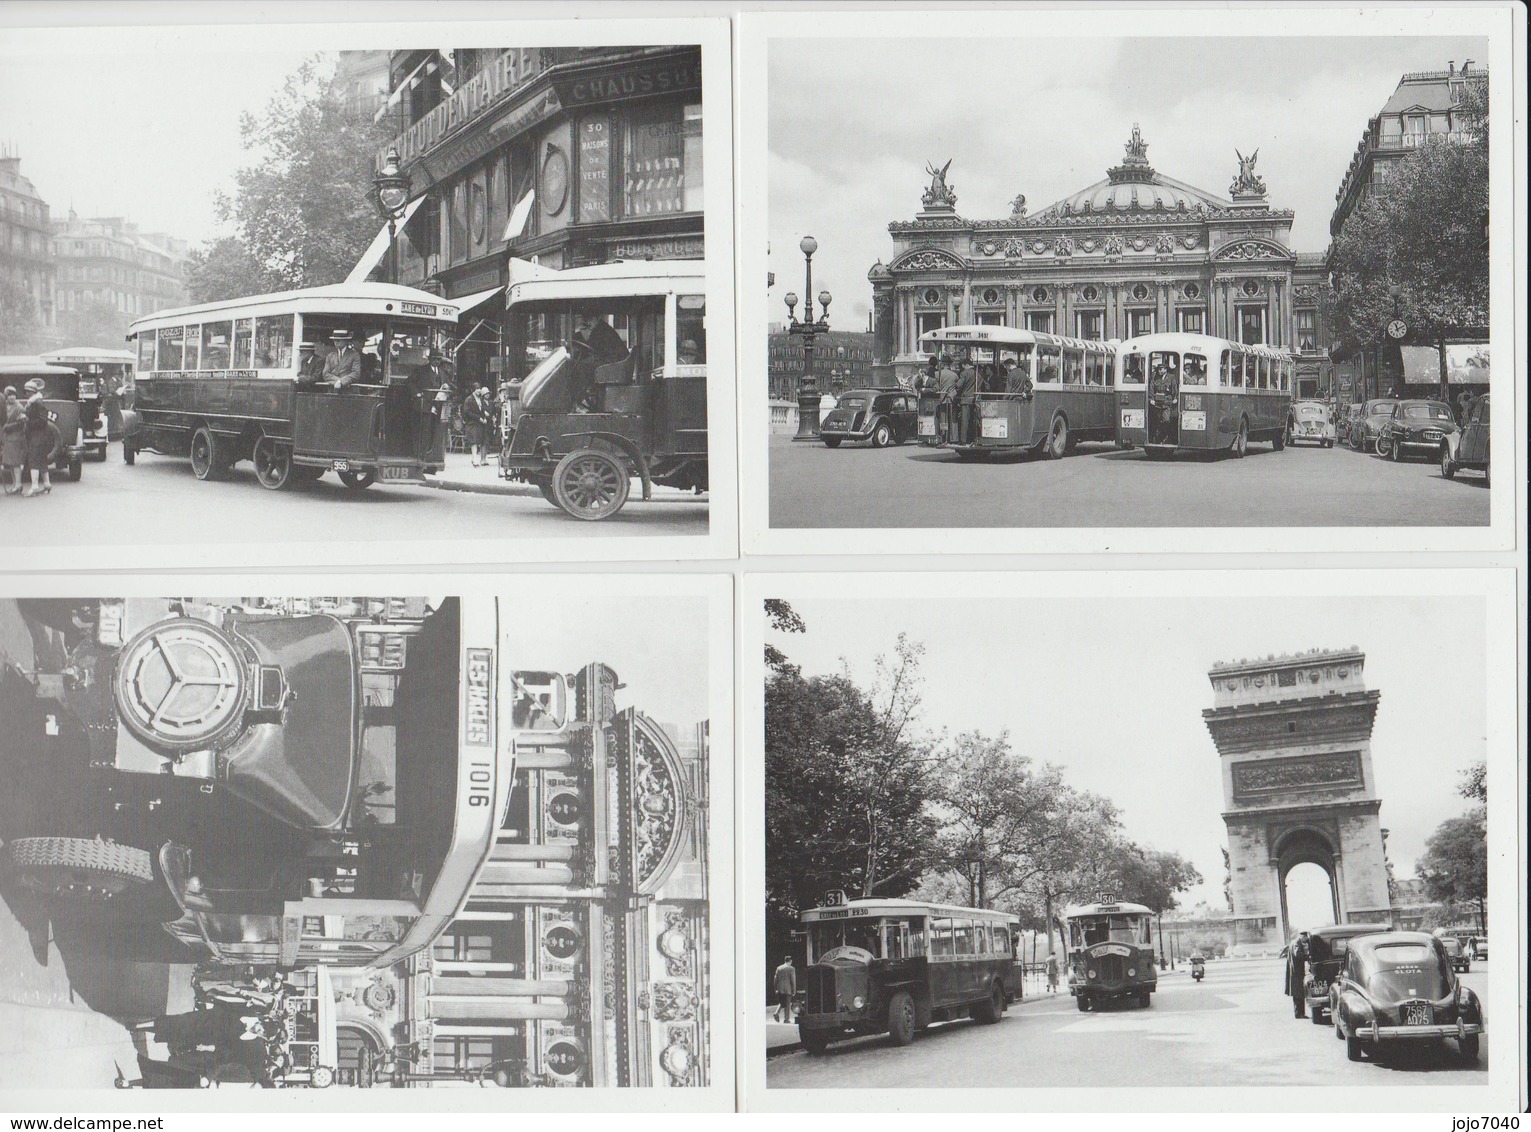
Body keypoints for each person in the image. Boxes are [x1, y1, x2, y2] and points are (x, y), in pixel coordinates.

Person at [21, 378, 61, 497]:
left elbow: (42, 421)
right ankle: (47, 484)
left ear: (32, 392)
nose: (26, 393)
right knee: (42, 460)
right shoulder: (36, 402)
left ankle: (34, 486)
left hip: (37, 436)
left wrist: (27, 421)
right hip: (41, 436)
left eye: (28, 391)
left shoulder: (37, 403)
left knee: (33, 459)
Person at [461, 385, 495, 467]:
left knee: (478, 440)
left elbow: (481, 409)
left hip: (478, 423)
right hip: (472, 423)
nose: (479, 390)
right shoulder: (469, 399)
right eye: (477, 389)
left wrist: (483, 416)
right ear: (473, 390)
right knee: (474, 441)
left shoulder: (479, 399)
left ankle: (475, 459)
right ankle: (475, 459)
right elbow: (467, 412)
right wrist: (479, 418)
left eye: (479, 389)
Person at [2, 386, 25, 495]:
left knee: (15, 462)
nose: (12, 397)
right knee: (10, 463)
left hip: (16, 437)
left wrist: (8, 427)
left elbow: (21, 424)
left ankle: (18, 484)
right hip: (8, 438)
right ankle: (14, 484)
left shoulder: (19, 407)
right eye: (9, 395)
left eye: (13, 395)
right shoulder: (5, 406)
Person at [1287, 930, 1310, 1018]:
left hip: (1295, 971)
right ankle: (1299, 1013)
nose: (1306, 941)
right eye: (1306, 939)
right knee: (1299, 993)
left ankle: (1299, 1013)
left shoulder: (1294, 942)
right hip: (1297, 972)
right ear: (1303, 937)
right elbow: (1298, 954)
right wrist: (1308, 957)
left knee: (1297, 993)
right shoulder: (1297, 943)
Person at [773, 955, 797, 1024]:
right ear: (790, 961)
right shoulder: (791, 968)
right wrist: (794, 990)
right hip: (788, 989)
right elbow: (793, 980)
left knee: (781, 1002)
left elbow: (775, 979)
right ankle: (786, 1019)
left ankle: (776, 1012)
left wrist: (776, 988)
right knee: (787, 1004)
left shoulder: (779, 968)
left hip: (780, 989)